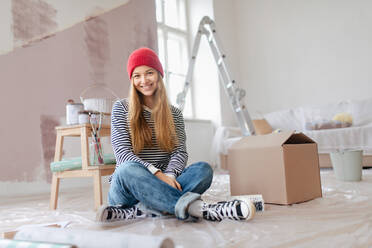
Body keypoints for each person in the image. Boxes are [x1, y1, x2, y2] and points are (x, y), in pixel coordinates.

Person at [96, 47, 255, 223]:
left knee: (203, 169)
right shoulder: (121, 108)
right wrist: (158, 175)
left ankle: (145, 210)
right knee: (127, 169)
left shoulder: (175, 114)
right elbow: (123, 154)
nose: (144, 80)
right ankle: (201, 209)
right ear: (132, 80)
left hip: (165, 183)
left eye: (149, 73)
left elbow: (179, 152)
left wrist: (169, 176)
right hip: (129, 189)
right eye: (137, 76)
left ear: (159, 75)